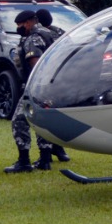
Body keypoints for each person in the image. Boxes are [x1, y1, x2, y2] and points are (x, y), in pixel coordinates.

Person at [3, 10, 59, 173]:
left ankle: (24, 161)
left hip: (37, 87)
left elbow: (36, 64)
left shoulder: (33, 38)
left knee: (19, 120)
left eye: (20, 25)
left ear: (28, 22)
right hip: (54, 86)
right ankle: (45, 159)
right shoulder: (51, 33)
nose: (19, 28)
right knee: (42, 120)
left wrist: (35, 87)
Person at [34, 9, 71, 163]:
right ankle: (59, 149)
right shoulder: (61, 33)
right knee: (56, 114)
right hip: (63, 79)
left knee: (41, 116)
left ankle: (47, 154)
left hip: (47, 80)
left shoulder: (40, 36)